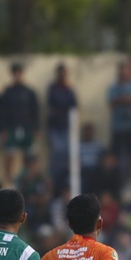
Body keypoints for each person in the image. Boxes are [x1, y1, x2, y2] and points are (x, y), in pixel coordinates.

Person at [0, 63, 40, 183]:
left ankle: (27, 179)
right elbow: (2, 111)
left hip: (27, 127)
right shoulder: (7, 92)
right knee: (9, 154)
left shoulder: (29, 92)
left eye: (19, 73)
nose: (18, 76)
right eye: (15, 74)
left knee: (28, 155)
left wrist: (36, 128)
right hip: (12, 127)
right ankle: (8, 179)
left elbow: (35, 110)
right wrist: (3, 129)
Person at [46, 63, 78, 194]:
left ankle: (64, 178)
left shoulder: (69, 88)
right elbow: (54, 103)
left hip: (67, 126)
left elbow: (73, 105)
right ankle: (55, 177)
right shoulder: (53, 88)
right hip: (56, 126)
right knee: (57, 151)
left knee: (66, 153)